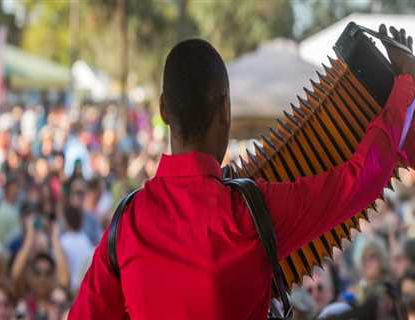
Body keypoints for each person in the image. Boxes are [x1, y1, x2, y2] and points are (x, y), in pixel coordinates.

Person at [69, 25, 415, 319]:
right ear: (225, 109)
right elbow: (356, 183)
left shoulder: (128, 222)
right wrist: (403, 87)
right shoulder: (249, 213)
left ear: (162, 109)